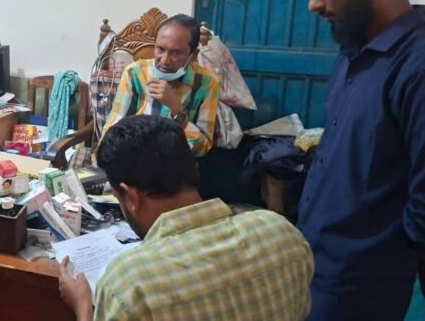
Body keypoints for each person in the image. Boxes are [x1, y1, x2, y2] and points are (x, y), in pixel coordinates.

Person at [280, 0, 425, 320]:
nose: (313, 4)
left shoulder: (416, 65)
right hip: (314, 272)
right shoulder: (354, 52)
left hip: (361, 295)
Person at [59, 115, 313, 320]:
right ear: (194, 170)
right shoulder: (282, 232)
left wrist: (83, 307)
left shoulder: (130, 283)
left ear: (131, 196)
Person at [102, 14, 219, 156]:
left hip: (176, 162)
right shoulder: (135, 73)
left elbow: (202, 148)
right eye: (160, 49)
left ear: (193, 55)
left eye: (176, 53)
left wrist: (177, 112)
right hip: (135, 158)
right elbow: (112, 132)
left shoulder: (207, 82)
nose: (164, 60)